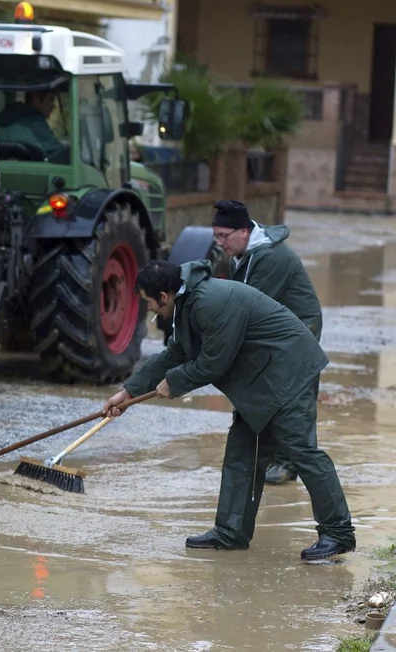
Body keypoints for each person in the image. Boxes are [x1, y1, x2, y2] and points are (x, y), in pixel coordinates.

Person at [103, 259, 355, 561]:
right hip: (260, 380)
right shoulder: (188, 303)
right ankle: (231, 532)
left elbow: (213, 362)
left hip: (289, 372)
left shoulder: (210, 302)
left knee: (302, 452)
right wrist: (129, 392)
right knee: (241, 453)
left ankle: (338, 533)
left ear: (164, 296)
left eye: (149, 302)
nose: (150, 309)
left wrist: (174, 382)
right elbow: (176, 352)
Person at [211, 199, 322, 485]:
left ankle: (288, 463)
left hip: (298, 330)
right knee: (268, 389)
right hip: (274, 328)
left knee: (293, 395)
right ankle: (274, 456)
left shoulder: (271, 258)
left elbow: (248, 306)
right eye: (216, 236)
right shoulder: (244, 254)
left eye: (224, 236)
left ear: (244, 232)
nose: (219, 243)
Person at [0, 90, 69, 163]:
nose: (54, 106)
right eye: (51, 99)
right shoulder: (35, 123)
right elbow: (57, 152)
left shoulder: (3, 123)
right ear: (36, 99)